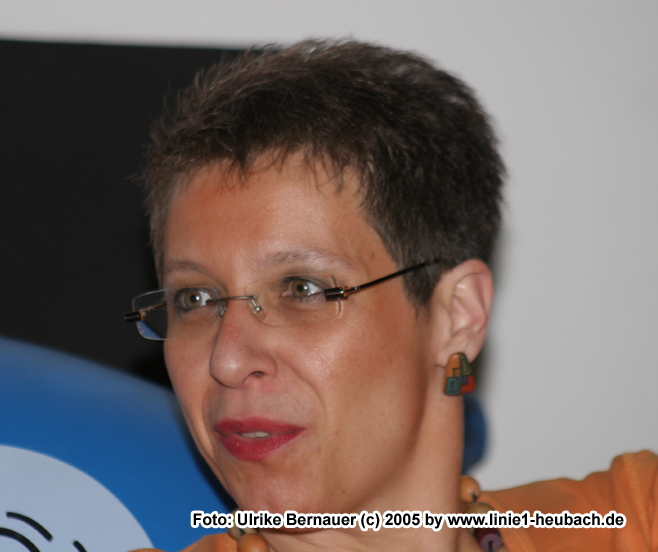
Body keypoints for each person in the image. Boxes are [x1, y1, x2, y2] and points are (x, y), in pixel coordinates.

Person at [125, 40, 657, 552]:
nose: (227, 360)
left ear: (457, 316)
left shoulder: (632, 522)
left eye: (302, 289)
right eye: (195, 299)